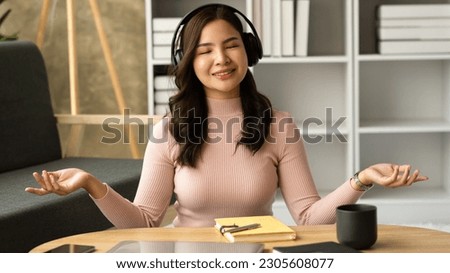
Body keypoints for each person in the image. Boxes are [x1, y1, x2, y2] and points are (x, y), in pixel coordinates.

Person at [25, 4, 428, 228]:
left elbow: (307, 218)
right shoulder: (170, 130)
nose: (221, 59)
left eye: (231, 45)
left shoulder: (278, 126)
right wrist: (91, 184)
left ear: (248, 52)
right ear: (189, 62)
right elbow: (145, 221)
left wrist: (361, 180)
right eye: (204, 50)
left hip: (260, 258)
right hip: (187, 260)